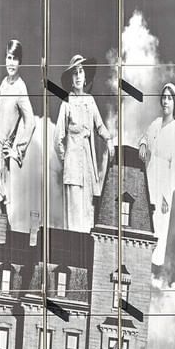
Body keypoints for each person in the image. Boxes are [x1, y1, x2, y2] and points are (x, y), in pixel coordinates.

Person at [55, 54, 114, 232]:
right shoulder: (67, 103)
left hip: (89, 167)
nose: (79, 76)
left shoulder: (90, 101)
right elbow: (57, 138)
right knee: (75, 215)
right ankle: (73, 256)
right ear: (71, 80)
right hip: (73, 168)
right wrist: (67, 160)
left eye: (81, 72)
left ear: (85, 76)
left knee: (89, 212)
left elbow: (100, 126)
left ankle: (86, 256)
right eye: (75, 73)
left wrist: (109, 140)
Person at [0, 39, 36, 219]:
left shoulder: (21, 88)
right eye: (9, 57)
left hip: (2, 152)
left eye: (15, 59)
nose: (11, 63)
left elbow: (31, 122)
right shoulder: (5, 82)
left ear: (20, 62)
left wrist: (17, 150)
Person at [137, 82, 175, 267]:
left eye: (169, 99)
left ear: (174, 103)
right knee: (144, 217)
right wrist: (142, 144)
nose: (165, 102)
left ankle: (152, 266)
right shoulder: (156, 123)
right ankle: (140, 258)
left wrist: (167, 195)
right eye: (163, 98)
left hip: (164, 182)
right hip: (149, 175)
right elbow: (145, 137)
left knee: (158, 224)